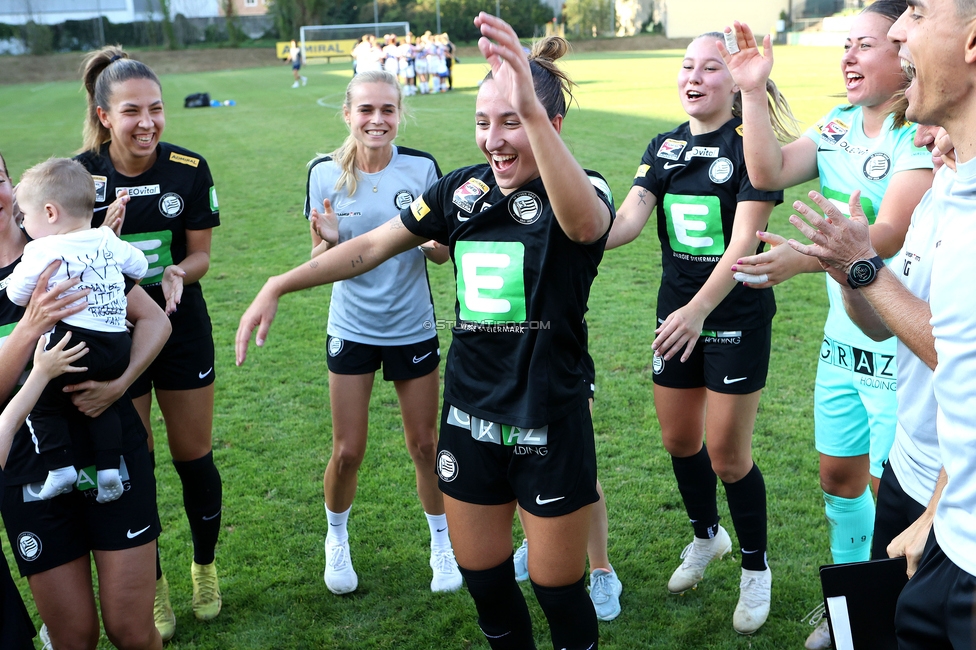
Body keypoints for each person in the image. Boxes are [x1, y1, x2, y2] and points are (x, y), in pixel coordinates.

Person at [238, 13, 613, 649]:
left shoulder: (581, 192)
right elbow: (370, 248)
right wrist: (280, 282)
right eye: (483, 121)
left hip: (549, 422)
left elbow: (584, 228)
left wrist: (529, 99)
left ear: (553, 127)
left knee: (557, 591)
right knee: (486, 581)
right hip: (469, 422)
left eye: (512, 120)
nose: (493, 140)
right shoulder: (459, 190)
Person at [720, 5, 933, 645]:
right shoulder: (836, 126)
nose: (848, 57)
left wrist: (803, 257)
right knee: (838, 479)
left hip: (901, 343)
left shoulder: (916, 134)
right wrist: (753, 90)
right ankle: (850, 609)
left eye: (864, 45)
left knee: (896, 497)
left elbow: (886, 233)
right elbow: (769, 172)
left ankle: (890, 614)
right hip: (843, 344)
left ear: (903, 53)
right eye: (846, 44)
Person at [605, 31, 796, 635]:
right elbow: (626, 221)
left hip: (733, 318)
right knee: (679, 440)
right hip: (677, 314)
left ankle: (755, 568)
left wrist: (699, 311)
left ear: (733, 81)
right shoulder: (663, 146)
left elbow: (744, 244)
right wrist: (576, 223)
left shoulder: (751, 147)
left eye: (710, 68)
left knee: (727, 455)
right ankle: (706, 537)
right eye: (687, 66)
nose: (694, 77)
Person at [802, 5, 976, 644]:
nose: (899, 30)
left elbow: (953, 356)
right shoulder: (942, 194)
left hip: (952, 496)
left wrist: (864, 267)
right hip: (911, 463)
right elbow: (883, 327)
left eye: (918, 14)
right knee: (874, 626)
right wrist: (851, 271)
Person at [74, 46, 224, 641]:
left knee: (194, 459)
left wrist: (179, 274)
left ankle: (205, 567)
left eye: (156, 109)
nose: (148, 122)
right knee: (137, 464)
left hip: (182, 329)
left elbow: (202, 254)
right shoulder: (79, 176)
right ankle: (154, 581)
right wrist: (98, 242)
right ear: (104, 115)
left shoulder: (189, 167)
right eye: (132, 111)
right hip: (115, 340)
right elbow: (62, 261)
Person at [0, 147, 171, 650]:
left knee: (132, 631)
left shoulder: (73, 244)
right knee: (74, 638)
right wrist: (31, 326)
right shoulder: (40, 264)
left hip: (111, 448)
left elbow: (156, 320)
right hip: (32, 470)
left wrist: (120, 384)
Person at [303, 69, 461, 595]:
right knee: (348, 450)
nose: (377, 120)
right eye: (366, 110)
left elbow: (443, 254)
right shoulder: (323, 173)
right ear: (348, 114)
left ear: (399, 114)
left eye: (387, 110)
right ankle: (336, 538)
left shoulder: (421, 169)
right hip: (351, 326)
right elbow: (319, 262)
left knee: (425, 445)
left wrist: (426, 242)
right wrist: (325, 242)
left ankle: (442, 545)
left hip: (412, 326)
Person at [9, 158, 148, 504]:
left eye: (25, 215)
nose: (23, 223)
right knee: (103, 405)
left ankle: (59, 468)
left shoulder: (42, 248)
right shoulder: (106, 237)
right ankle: (108, 470)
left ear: (51, 213)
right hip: (118, 344)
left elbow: (17, 294)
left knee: (40, 399)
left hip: (74, 341)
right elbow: (141, 266)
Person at [512, 346, 623, 622]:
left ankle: (602, 571)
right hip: (508, 360)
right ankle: (532, 542)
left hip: (562, 356)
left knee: (576, 465)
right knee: (517, 457)